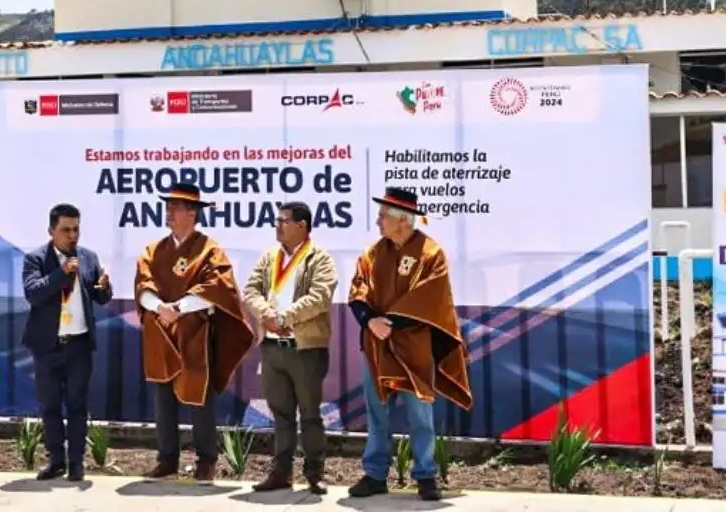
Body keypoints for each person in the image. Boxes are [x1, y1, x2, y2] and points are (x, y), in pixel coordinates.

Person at [346, 188, 472, 502]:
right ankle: (375, 475)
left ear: (402, 220)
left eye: (383, 215)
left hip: (414, 346)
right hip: (376, 345)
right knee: (377, 414)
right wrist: (370, 321)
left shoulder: (431, 253)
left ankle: (426, 475)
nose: (378, 220)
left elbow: (430, 297)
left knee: (420, 413)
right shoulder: (374, 252)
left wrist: (390, 323)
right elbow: (358, 289)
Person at [134, 184, 255, 482]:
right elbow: (143, 285)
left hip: (194, 334)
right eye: (168, 207)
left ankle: (206, 460)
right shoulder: (154, 249)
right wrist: (160, 307)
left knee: (199, 397)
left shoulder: (209, 250)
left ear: (192, 213)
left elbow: (218, 289)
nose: (169, 213)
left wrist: (179, 307)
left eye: (176, 208)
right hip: (161, 333)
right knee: (162, 397)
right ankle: (167, 459)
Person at [242, 200, 338, 495]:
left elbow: (320, 296)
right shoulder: (269, 257)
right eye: (277, 220)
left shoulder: (319, 258)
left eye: (284, 220)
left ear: (302, 226)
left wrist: (284, 316)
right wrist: (266, 316)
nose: (278, 226)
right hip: (273, 348)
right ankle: (281, 473)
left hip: (305, 348)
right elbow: (250, 290)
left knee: (309, 414)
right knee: (281, 414)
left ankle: (314, 474)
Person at [21, 202, 113, 482]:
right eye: (66, 230)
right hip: (47, 345)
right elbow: (33, 293)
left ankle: (76, 463)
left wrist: (104, 289)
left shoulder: (89, 257)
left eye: (76, 229)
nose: (72, 235)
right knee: (49, 405)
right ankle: (56, 461)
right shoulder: (35, 259)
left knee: (77, 405)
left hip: (79, 344)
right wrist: (62, 274)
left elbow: (100, 298)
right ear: (51, 231)